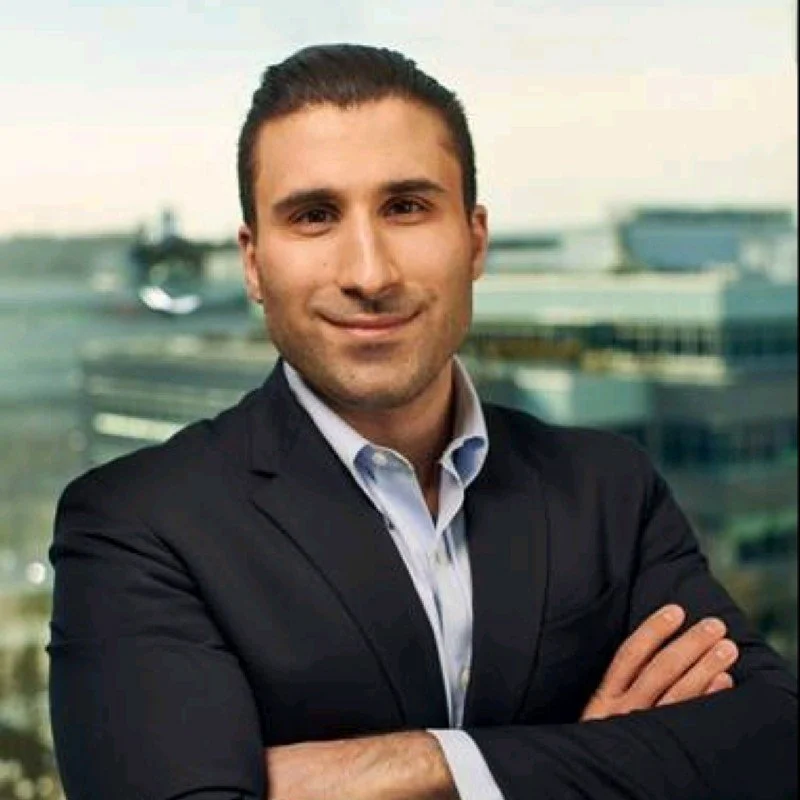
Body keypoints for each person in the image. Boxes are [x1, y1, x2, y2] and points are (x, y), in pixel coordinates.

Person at [48, 44, 797, 800]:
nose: (369, 273)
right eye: (314, 216)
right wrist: (592, 758)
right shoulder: (136, 523)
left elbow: (770, 744)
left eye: (406, 207)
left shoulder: (608, 487)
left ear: (474, 239)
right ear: (252, 262)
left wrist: (427, 766)